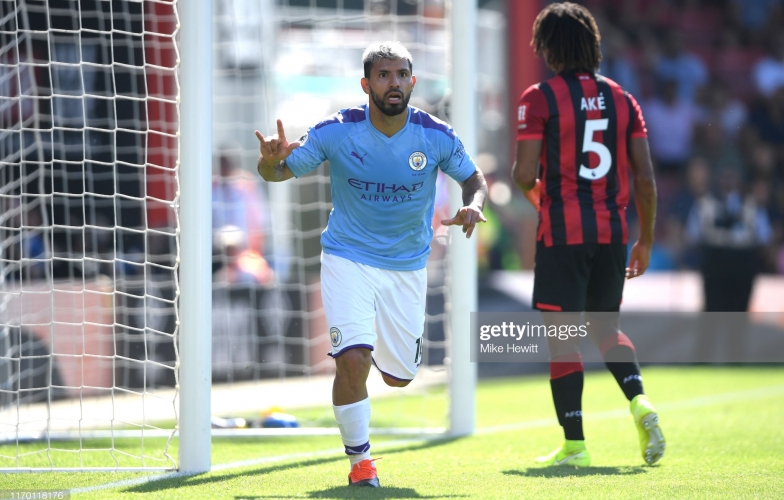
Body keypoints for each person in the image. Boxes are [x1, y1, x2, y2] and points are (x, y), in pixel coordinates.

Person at [255, 41, 487, 487]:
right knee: (353, 360)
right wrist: (268, 165)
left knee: (400, 378)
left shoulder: (435, 134)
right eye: (383, 75)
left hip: (406, 266)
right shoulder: (336, 130)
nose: (393, 82)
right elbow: (279, 173)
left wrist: (474, 205)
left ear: (412, 82)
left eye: (401, 74)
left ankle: (376, 354)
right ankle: (361, 464)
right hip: (348, 257)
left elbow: (473, 178)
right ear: (366, 84)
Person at [512, 2, 664, 467]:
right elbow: (645, 180)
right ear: (592, 44)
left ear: (548, 47)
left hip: (563, 234)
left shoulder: (538, 98)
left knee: (563, 336)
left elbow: (522, 173)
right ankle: (640, 401)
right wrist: (645, 240)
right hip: (613, 232)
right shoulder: (624, 98)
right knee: (606, 328)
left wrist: (541, 200)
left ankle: (575, 446)